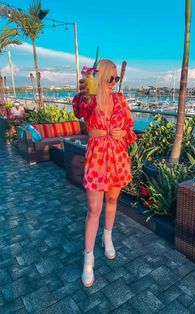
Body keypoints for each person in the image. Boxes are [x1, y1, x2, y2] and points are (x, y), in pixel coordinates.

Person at [72, 59, 137, 287]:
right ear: (100, 77)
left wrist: (123, 133)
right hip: (98, 157)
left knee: (112, 200)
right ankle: (88, 259)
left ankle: (107, 237)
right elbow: (79, 110)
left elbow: (130, 128)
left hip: (117, 156)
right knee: (93, 209)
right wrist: (83, 94)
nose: (114, 82)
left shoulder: (120, 99)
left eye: (116, 78)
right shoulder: (90, 100)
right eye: (111, 78)